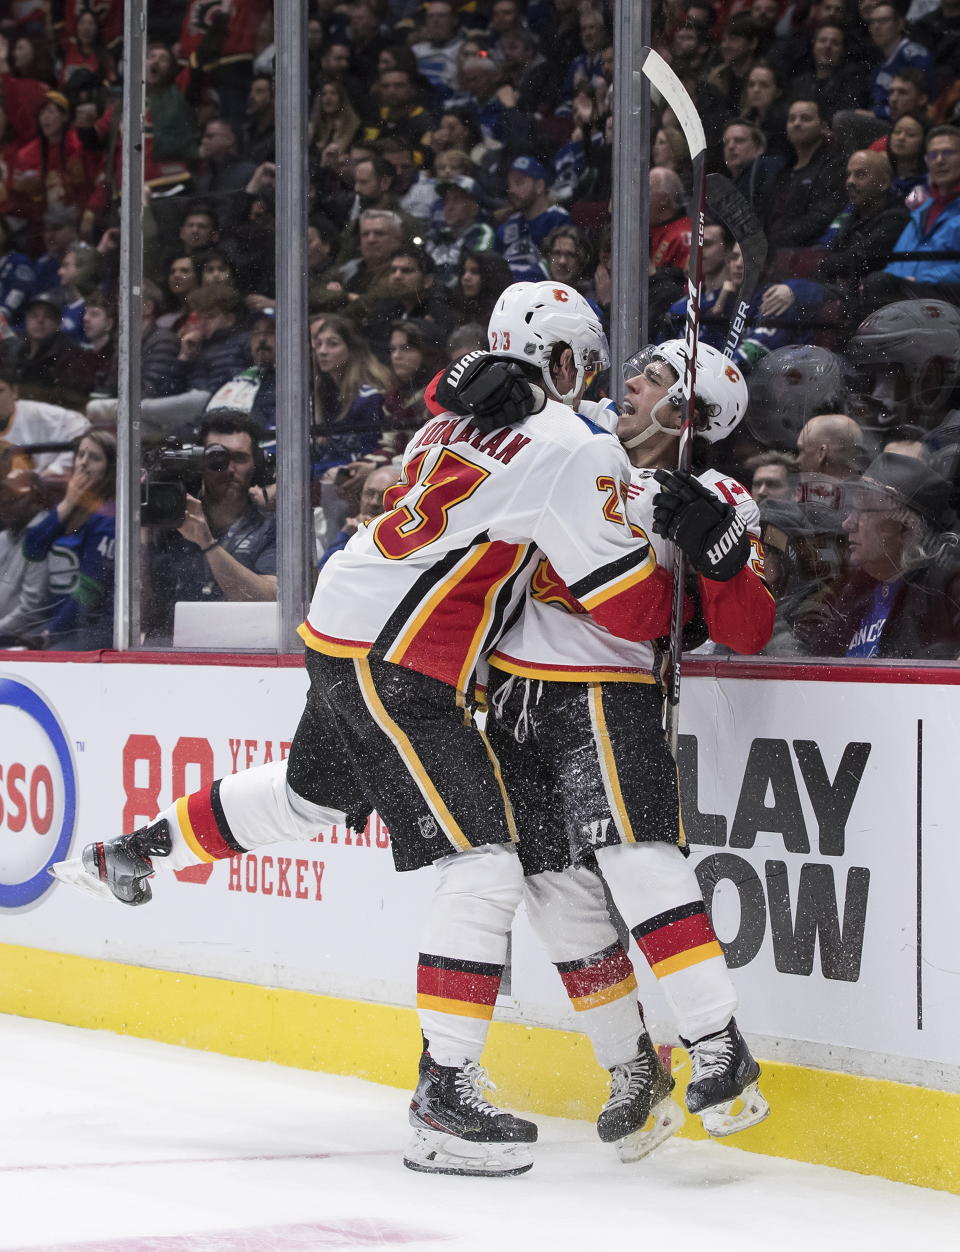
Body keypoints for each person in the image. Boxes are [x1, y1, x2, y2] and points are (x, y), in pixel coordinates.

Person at [53, 281, 690, 1180]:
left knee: (315, 793)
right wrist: (696, 557)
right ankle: (444, 1095)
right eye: (582, 364)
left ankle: (138, 849)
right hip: (402, 660)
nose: (591, 383)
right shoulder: (575, 443)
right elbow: (626, 601)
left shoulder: (448, 424)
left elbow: (466, 434)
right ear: (556, 361)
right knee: (487, 861)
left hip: (347, 628)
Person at [482, 340, 773, 1161]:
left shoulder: (713, 492)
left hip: (606, 695)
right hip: (507, 698)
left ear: (690, 413)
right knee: (553, 891)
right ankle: (629, 1068)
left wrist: (717, 555)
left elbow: (747, 630)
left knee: (643, 863)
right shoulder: (565, 450)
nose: (631, 381)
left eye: (653, 377)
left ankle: (717, 1043)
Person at [797, 453, 960, 657]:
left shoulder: (943, 596)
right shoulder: (853, 591)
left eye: (863, 511)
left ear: (906, 527)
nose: (847, 524)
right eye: (851, 510)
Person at [143, 411, 276, 644]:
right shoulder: (169, 519)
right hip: (168, 650)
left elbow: (268, 600)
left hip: (243, 650)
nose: (229, 468)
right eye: (217, 458)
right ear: (199, 464)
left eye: (240, 458)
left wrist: (207, 543)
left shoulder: (273, 528)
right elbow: (139, 612)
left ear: (257, 463)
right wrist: (140, 534)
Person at [21, 429, 116, 650]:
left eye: (94, 458)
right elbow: (32, 549)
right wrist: (67, 503)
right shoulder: (72, 509)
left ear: (110, 469)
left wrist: (50, 634)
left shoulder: (108, 518)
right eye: (81, 455)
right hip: (59, 623)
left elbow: (89, 590)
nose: (83, 463)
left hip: (92, 627)